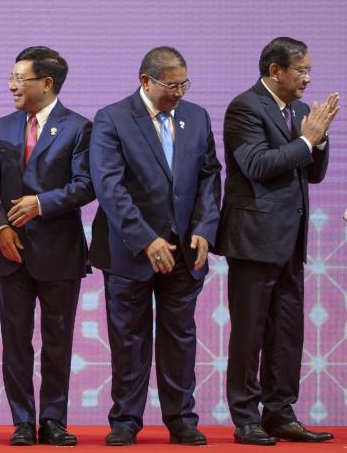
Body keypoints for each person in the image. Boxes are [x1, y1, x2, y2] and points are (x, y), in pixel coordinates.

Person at [89, 46, 221, 446]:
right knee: (128, 339)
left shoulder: (196, 117)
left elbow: (209, 175)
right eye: (171, 85)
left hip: (184, 250)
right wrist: (147, 239)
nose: (180, 92)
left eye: (184, 84)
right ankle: (125, 420)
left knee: (180, 336)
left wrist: (204, 227)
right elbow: (109, 186)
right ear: (146, 81)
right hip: (129, 250)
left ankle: (181, 418)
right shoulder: (112, 118)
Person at [217, 37, 339, 445]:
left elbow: (314, 173)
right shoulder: (245, 107)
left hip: (291, 241)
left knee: (287, 332)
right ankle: (246, 418)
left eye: (308, 70)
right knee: (250, 332)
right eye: (301, 70)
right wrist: (305, 141)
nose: (307, 78)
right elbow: (256, 165)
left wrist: (318, 141)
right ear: (275, 71)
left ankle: (280, 413)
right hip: (253, 239)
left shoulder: (303, 112)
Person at [0, 46, 93, 446]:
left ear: (46, 83)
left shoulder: (78, 127)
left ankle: (54, 419)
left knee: (58, 342)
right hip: (11, 251)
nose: (11, 85)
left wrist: (41, 204)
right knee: (16, 341)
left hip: (60, 253)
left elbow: (85, 185)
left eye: (18, 78)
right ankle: (23, 421)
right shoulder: (3, 126)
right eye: (10, 78)